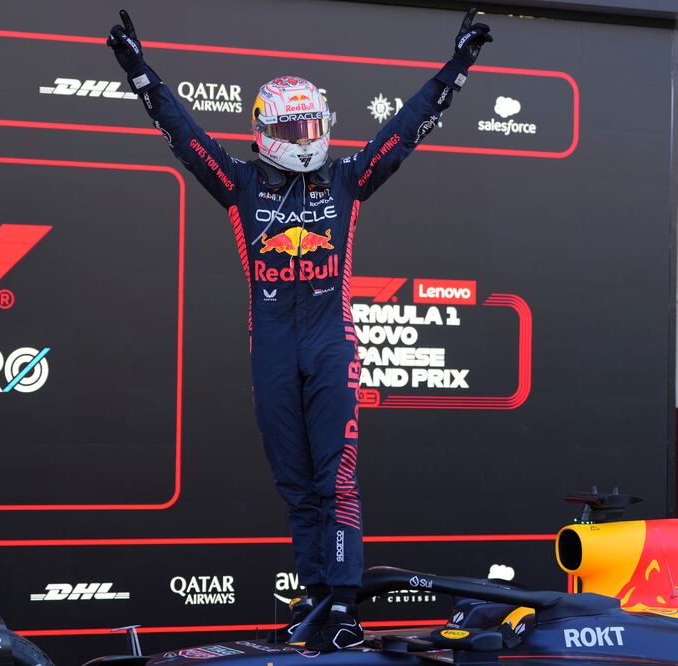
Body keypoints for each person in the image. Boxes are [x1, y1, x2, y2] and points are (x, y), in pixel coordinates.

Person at [107, 8, 492, 651]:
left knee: (335, 478)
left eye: (312, 123)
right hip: (272, 349)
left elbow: (404, 133)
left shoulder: (345, 180)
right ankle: (318, 598)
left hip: (329, 341)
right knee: (295, 484)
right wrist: (141, 74)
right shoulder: (238, 184)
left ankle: (345, 605)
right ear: (265, 131)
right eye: (293, 125)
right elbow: (185, 135)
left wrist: (456, 68)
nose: (306, 135)